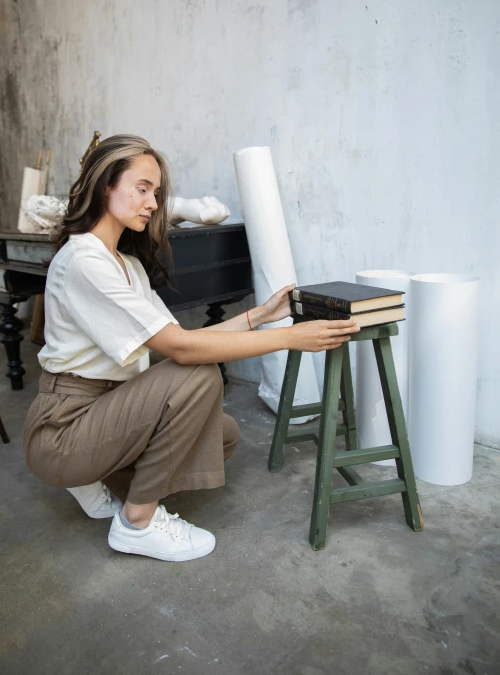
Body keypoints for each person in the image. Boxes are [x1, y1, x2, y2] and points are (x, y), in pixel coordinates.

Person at [23, 134, 360, 562]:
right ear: (106, 184)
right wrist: (292, 338)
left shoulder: (124, 264)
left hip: (105, 408)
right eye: (142, 188)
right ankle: (137, 524)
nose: (152, 203)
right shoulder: (84, 261)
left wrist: (263, 315)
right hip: (63, 428)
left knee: (221, 435)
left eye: (157, 193)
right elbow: (183, 350)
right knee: (198, 375)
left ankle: (101, 473)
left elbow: (180, 339)